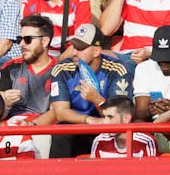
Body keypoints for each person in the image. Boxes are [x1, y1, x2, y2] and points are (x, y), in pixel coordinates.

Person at [47, 23, 130, 157]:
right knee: (60, 132)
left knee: (118, 133)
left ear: (96, 51)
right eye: (74, 47)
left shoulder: (116, 70)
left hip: (106, 127)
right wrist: (88, 120)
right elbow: (60, 113)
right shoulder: (62, 69)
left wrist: (97, 100)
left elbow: (120, 116)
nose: (74, 52)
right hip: (77, 125)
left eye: (80, 48)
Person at [89, 97, 157, 158]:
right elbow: (95, 171)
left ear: (126, 118)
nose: (105, 122)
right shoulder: (99, 140)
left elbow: (149, 171)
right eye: (104, 117)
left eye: (110, 117)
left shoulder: (145, 142)